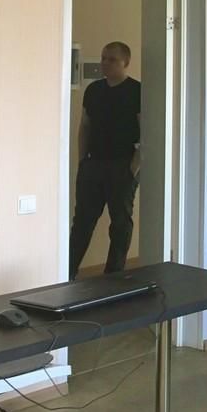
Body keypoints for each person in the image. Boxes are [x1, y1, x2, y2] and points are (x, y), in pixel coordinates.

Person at [69, 41, 141, 280]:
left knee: (120, 223)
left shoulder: (136, 90)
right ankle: (67, 272)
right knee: (82, 222)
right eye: (103, 58)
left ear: (125, 62)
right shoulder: (94, 90)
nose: (105, 63)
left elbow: (146, 129)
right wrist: (82, 161)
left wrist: (134, 167)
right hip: (93, 165)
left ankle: (113, 276)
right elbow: (85, 126)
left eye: (112, 59)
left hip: (123, 166)